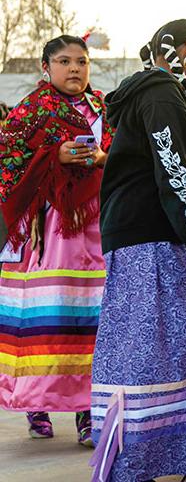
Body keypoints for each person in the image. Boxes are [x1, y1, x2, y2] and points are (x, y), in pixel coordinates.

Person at [90, 20, 186, 482]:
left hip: (147, 237)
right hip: (151, 240)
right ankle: (134, 463)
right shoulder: (162, 93)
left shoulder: (159, 94)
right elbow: (175, 174)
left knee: (163, 351)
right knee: (151, 353)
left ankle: (165, 457)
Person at [0, 35, 112, 446]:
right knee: (51, 318)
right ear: (45, 68)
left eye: (81, 61)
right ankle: (38, 403)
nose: (75, 69)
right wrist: (53, 157)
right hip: (49, 231)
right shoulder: (32, 110)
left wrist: (102, 157)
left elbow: (126, 153)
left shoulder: (105, 108)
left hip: (100, 226)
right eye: (64, 61)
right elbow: (7, 161)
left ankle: (88, 410)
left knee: (95, 321)